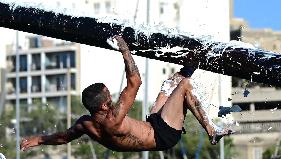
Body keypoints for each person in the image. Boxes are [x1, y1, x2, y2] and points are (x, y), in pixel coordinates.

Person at [21, 36, 233, 152]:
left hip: (154, 126)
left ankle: (196, 60)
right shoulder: (113, 118)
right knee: (184, 85)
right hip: (164, 135)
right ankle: (212, 130)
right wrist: (124, 50)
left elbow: (63, 138)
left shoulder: (85, 123)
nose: (111, 97)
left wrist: (38, 140)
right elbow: (135, 81)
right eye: (108, 96)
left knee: (170, 83)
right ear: (103, 106)